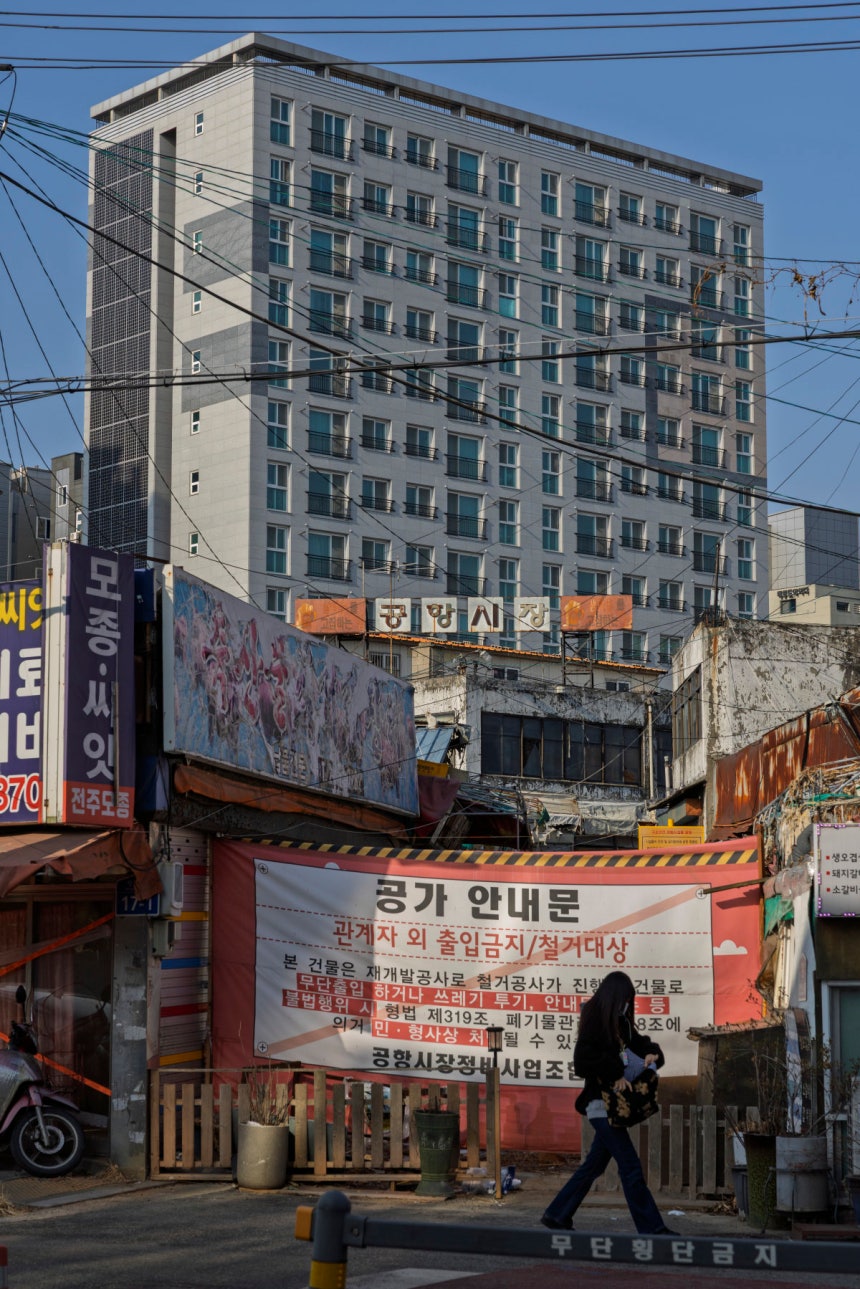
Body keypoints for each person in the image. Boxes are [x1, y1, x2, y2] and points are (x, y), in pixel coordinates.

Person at [541, 970, 675, 1234]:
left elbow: (641, 1044)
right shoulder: (594, 1019)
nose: (628, 1004)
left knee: (593, 1165)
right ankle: (652, 1229)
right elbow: (582, 1062)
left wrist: (653, 1055)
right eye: (626, 998)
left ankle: (557, 1214)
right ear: (616, 996)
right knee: (631, 1166)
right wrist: (614, 1074)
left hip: (613, 1107)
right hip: (600, 1104)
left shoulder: (622, 1022)